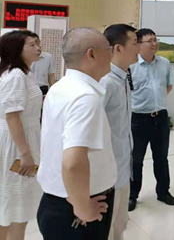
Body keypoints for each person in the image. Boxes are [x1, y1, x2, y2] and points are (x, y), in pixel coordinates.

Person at [37, 27, 117, 240]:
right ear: (92, 54)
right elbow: (73, 161)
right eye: (108, 49)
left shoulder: (61, 87)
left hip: (57, 201)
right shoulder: (85, 97)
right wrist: (82, 208)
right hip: (77, 209)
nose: (112, 54)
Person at [128, 28, 174, 212]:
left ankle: (163, 192)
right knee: (136, 160)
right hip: (138, 119)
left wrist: (157, 102)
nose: (155, 43)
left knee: (161, 158)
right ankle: (132, 195)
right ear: (139, 44)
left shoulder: (164, 63)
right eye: (150, 41)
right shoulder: (131, 66)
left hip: (160, 118)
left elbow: (168, 85)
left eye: (156, 40)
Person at [0, 31, 42, 240]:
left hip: (23, 139)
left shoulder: (23, 74)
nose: (38, 48)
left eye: (37, 43)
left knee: (14, 207)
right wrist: (25, 153)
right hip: (17, 143)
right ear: (17, 50)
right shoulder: (16, 76)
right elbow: (12, 116)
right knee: (14, 206)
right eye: (32, 45)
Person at [100, 25, 139, 240]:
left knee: (119, 225)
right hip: (106, 174)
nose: (139, 47)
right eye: (135, 43)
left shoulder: (123, 77)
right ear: (118, 48)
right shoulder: (105, 82)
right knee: (106, 229)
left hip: (123, 167)